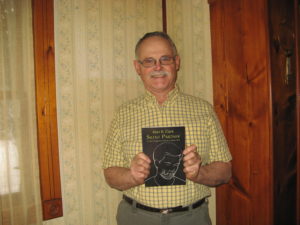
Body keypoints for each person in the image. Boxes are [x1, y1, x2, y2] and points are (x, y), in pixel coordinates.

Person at [103, 31, 232, 225]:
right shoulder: (123, 113)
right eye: (148, 61)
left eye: (165, 59)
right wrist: (131, 176)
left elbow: (225, 171)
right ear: (137, 67)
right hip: (136, 218)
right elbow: (110, 173)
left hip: (191, 218)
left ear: (177, 62)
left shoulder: (203, 109)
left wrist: (200, 173)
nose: (158, 66)